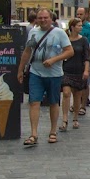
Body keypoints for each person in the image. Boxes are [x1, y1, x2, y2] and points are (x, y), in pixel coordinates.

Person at [17, 9, 73, 146]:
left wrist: (54, 59)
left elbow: (69, 51)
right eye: (40, 18)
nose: (43, 20)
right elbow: (27, 51)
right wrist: (20, 69)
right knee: (34, 102)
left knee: (53, 103)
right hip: (36, 73)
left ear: (51, 19)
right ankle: (33, 134)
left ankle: (53, 131)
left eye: (45, 18)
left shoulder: (59, 33)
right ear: (36, 19)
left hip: (54, 74)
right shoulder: (33, 32)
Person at [60, 18, 90, 132]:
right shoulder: (65, 40)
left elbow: (87, 57)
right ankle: (64, 119)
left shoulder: (84, 40)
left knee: (77, 96)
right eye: (78, 26)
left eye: (81, 25)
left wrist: (86, 70)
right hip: (66, 70)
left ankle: (75, 118)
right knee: (66, 93)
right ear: (72, 27)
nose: (81, 28)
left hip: (79, 70)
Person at [76, 7, 90, 116]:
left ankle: (83, 105)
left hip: (87, 58)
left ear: (86, 15)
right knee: (75, 82)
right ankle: (76, 103)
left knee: (85, 83)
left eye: (81, 14)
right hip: (75, 59)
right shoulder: (73, 27)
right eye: (77, 14)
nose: (79, 16)